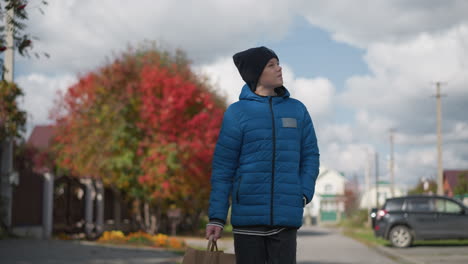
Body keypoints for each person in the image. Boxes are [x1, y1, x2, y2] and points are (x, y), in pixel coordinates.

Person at [205, 46, 320, 264]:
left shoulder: (297, 110)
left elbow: (310, 156)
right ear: (257, 73)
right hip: (247, 221)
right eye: (271, 65)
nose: (279, 68)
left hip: (285, 219)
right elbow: (223, 169)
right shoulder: (237, 113)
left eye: (278, 63)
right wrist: (217, 218)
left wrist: (303, 193)